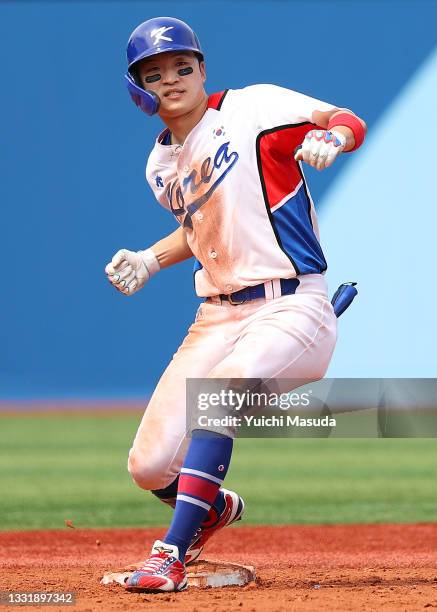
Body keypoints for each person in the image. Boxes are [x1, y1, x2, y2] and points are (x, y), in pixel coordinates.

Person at [105, 16, 366, 593]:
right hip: (218, 315)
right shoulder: (159, 164)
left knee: (218, 396)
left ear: (201, 68)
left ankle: (169, 553)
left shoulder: (252, 109)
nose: (171, 79)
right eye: (155, 73)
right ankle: (212, 508)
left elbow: (344, 119)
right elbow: (200, 228)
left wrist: (335, 139)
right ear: (138, 90)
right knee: (148, 466)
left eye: (181, 66)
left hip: (292, 306)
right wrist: (151, 257)